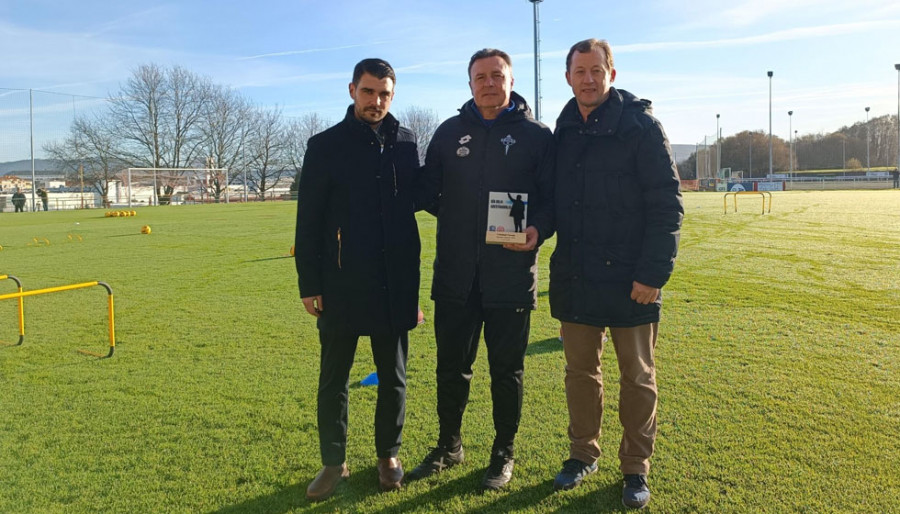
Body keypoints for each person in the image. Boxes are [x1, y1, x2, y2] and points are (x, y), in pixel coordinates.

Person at [406, 48, 554, 491]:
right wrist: (456, 216)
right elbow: (429, 190)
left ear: (510, 80)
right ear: (469, 83)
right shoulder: (449, 132)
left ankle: (502, 452)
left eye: (497, 75)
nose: (488, 83)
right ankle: (449, 445)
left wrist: (538, 229)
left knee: (506, 370)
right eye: (480, 77)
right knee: (451, 367)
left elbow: (552, 200)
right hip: (454, 275)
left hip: (510, 275)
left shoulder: (537, 135)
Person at [549, 39, 683, 509]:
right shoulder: (561, 131)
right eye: (579, 71)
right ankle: (583, 453)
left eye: (596, 70)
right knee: (580, 373)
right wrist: (531, 229)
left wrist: (653, 274)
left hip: (634, 281)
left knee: (638, 377)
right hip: (577, 275)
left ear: (612, 73)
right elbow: (553, 202)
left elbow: (667, 205)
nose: (588, 79)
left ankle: (635, 467)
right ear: (568, 76)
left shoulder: (641, 127)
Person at [294, 58, 421, 501]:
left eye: (385, 93)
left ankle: (388, 455)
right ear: (352, 90)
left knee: (394, 377)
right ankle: (333, 462)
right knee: (334, 380)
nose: (377, 101)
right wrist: (309, 283)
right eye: (369, 92)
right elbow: (308, 219)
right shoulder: (324, 145)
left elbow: (415, 209)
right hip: (341, 283)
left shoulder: (406, 142)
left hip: (394, 284)